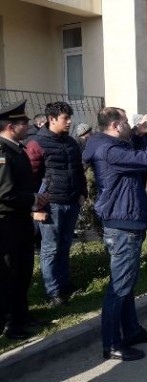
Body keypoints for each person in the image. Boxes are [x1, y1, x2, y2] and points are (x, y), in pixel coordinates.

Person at [82, 107, 147, 361]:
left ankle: (131, 331)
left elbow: (135, 155)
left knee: (126, 283)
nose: (130, 124)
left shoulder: (110, 145)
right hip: (123, 224)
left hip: (125, 221)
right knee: (119, 287)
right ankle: (112, 344)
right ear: (116, 126)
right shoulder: (111, 150)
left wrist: (139, 135)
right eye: (127, 122)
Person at [26, 101, 87, 306]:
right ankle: (52, 291)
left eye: (70, 117)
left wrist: (82, 193)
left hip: (71, 201)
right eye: (65, 118)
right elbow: (30, 178)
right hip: (51, 205)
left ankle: (64, 283)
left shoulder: (70, 142)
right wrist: (37, 207)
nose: (70, 121)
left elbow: (78, 170)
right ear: (52, 119)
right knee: (50, 249)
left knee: (64, 246)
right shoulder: (37, 143)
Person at [0, 100, 49, 340]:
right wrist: (34, 198)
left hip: (20, 221)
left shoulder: (16, 148)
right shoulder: (2, 152)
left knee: (24, 271)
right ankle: (11, 324)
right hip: (7, 224)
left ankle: (23, 315)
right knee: (10, 274)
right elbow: (4, 193)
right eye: (23, 122)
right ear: (11, 126)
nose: (28, 125)